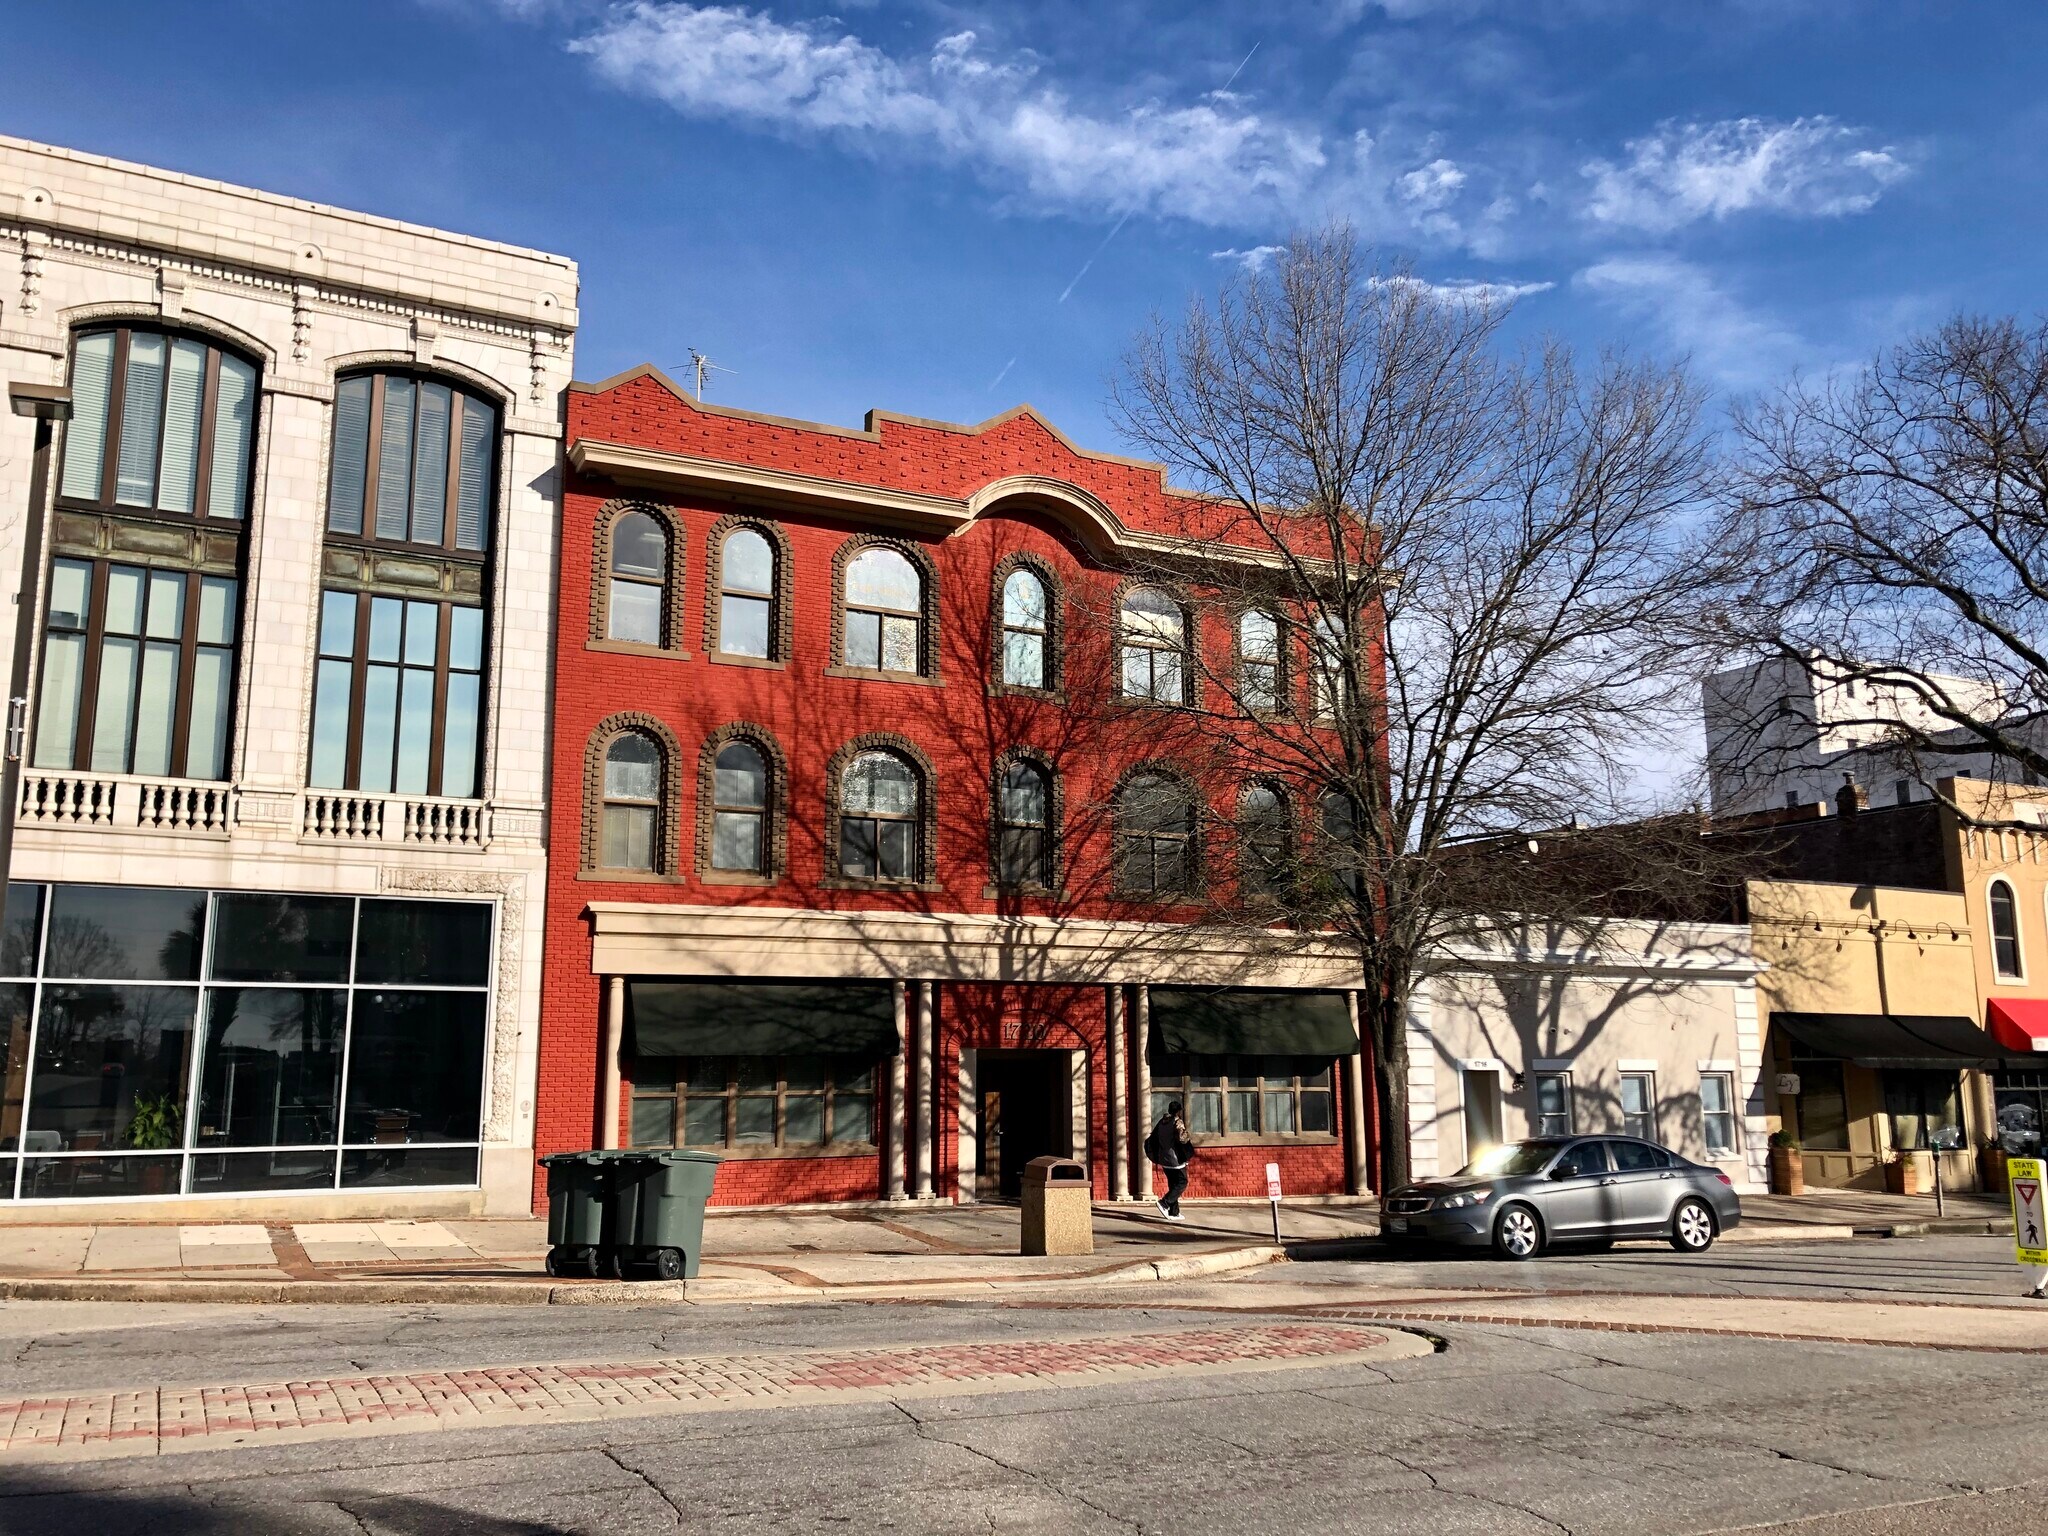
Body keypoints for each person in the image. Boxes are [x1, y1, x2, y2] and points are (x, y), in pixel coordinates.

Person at [1146, 1101, 1194, 1220]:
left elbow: (1154, 1137)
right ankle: (1164, 1203)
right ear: (1178, 1111)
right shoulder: (1177, 1122)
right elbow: (1182, 1138)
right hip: (1175, 1159)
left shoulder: (1161, 1122)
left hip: (1164, 1158)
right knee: (1182, 1182)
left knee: (1173, 1185)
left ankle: (1174, 1212)